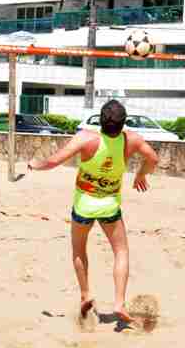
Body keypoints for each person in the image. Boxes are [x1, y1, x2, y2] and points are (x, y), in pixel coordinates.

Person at [27, 100, 158, 327]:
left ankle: (86, 294)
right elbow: (153, 159)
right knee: (121, 252)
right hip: (109, 208)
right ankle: (118, 303)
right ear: (123, 122)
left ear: (100, 119)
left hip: (83, 207)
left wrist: (35, 165)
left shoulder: (86, 139)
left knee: (79, 250)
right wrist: (141, 175)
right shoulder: (131, 140)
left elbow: (54, 161)